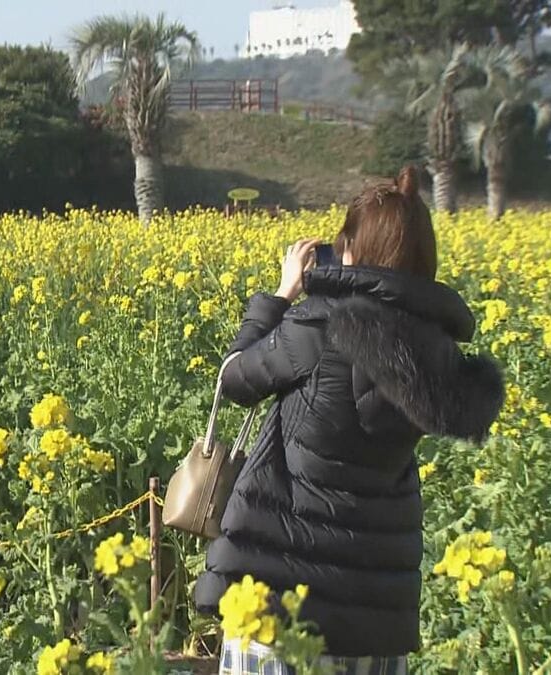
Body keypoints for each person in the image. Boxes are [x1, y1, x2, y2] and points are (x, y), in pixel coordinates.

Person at [193, 165, 504, 672]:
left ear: (351, 251)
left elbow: (233, 380)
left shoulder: (317, 328)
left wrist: (280, 295)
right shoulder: (438, 358)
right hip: (375, 615)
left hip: (280, 608)